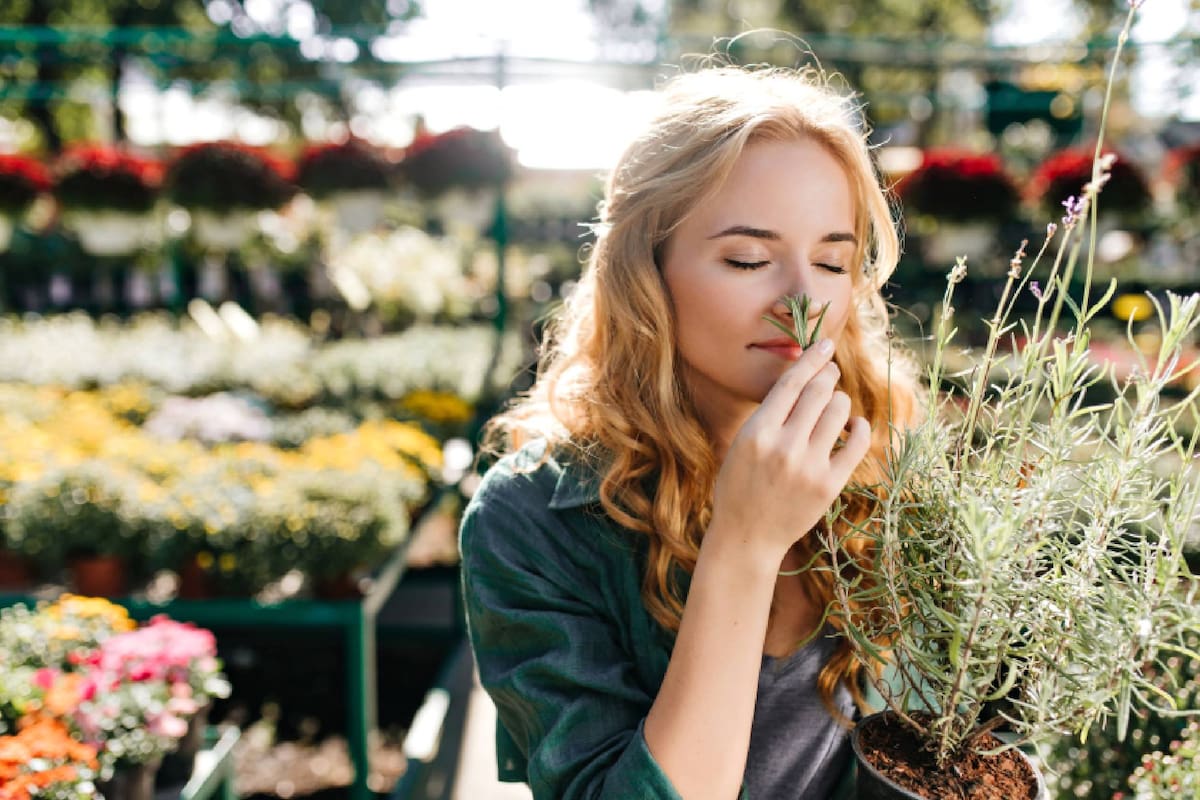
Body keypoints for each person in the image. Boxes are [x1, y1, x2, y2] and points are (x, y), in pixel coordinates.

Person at [459, 61, 921, 800]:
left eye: (833, 260)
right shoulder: (532, 519)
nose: (801, 300)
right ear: (646, 269)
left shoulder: (892, 461)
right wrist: (745, 543)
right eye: (748, 259)